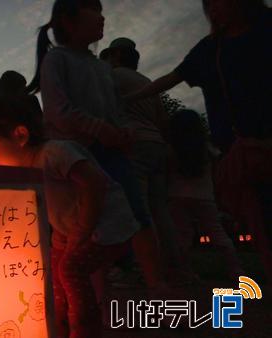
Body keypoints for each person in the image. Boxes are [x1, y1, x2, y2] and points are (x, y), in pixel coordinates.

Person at [26, 0, 168, 296]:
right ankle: (99, 297)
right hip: (78, 158)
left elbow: (114, 110)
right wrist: (100, 129)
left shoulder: (102, 68)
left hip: (112, 152)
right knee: (88, 227)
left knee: (137, 215)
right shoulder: (56, 60)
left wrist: (122, 130)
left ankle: (157, 285)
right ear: (69, 20)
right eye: (94, 10)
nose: (102, 18)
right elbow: (57, 111)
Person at [126, 0, 272, 283]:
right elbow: (172, 78)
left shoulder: (264, 30)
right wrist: (132, 98)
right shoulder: (210, 50)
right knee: (261, 224)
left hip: (261, 144)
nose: (215, 9)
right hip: (240, 152)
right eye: (210, 4)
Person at [0, 96, 139, 338]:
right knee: (54, 269)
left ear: (20, 136)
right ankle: (57, 324)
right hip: (76, 230)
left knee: (70, 269)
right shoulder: (29, 172)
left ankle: (85, 328)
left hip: (109, 226)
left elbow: (94, 182)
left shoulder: (55, 152)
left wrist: (82, 228)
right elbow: (61, 206)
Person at [100, 38, 184, 283]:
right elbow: (162, 119)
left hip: (134, 145)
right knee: (160, 209)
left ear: (115, 56)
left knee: (137, 210)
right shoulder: (147, 82)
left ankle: (144, 269)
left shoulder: (113, 77)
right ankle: (175, 267)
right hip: (156, 144)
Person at [168, 109, 244, 281]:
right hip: (204, 197)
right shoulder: (207, 149)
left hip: (176, 196)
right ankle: (236, 270)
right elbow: (217, 172)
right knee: (218, 234)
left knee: (182, 237)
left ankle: (186, 272)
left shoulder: (171, 150)